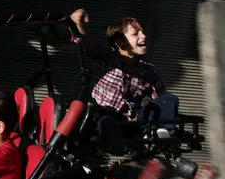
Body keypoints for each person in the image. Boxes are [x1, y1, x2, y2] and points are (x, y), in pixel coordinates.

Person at [69, 9, 179, 140]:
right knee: (97, 114)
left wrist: (165, 114)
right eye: (135, 34)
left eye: (143, 32)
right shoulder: (108, 58)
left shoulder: (149, 70)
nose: (143, 36)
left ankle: (161, 133)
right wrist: (80, 24)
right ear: (120, 42)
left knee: (169, 99)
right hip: (104, 115)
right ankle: (109, 135)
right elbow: (88, 44)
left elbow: (161, 100)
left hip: (129, 122)